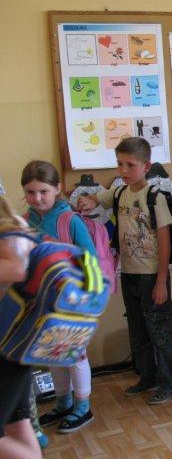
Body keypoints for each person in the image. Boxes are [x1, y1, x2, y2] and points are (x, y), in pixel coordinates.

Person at [78, 137, 172, 404]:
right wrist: (87, 202)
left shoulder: (155, 197)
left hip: (152, 276)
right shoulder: (119, 193)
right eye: (119, 164)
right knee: (138, 330)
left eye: (130, 165)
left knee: (160, 332)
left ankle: (169, 383)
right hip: (129, 275)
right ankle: (147, 377)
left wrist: (161, 281)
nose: (123, 170)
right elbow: (95, 199)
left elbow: (165, 242)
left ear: (146, 166)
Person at [21, 160, 96, 433]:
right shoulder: (26, 221)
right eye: (30, 192)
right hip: (42, 300)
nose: (37, 198)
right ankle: (63, 403)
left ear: (57, 188)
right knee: (52, 354)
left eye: (43, 191)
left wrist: (84, 297)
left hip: (72, 300)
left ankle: (83, 407)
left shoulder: (69, 220)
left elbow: (90, 259)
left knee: (75, 355)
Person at [0, 195, 42, 459]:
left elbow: (17, 269)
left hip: (6, 348)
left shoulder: (10, 234)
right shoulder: (15, 229)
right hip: (17, 345)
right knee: (18, 425)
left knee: (17, 426)